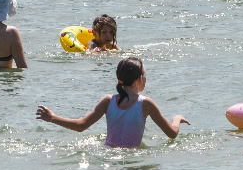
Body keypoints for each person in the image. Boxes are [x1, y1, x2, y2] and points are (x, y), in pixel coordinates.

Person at [36, 56, 188, 147]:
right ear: (141, 79)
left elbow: (81, 126)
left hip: (107, 152)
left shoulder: (108, 101)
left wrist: (52, 118)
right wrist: (176, 119)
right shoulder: (146, 104)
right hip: (131, 158)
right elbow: (172, 134)